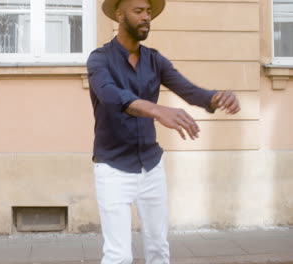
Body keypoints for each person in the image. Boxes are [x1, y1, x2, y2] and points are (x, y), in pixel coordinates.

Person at [87, 0, 241, 263]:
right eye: (139, 11)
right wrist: (156, 110)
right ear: (119, 15)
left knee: (159, 250)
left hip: (151, 167)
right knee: (118, 255)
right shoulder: (99, 59)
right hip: (112, 168)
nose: (146, 17)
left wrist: (217, 97)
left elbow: (191, 91)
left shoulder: (155, 60)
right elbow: (110, 95)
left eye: (148, 12)